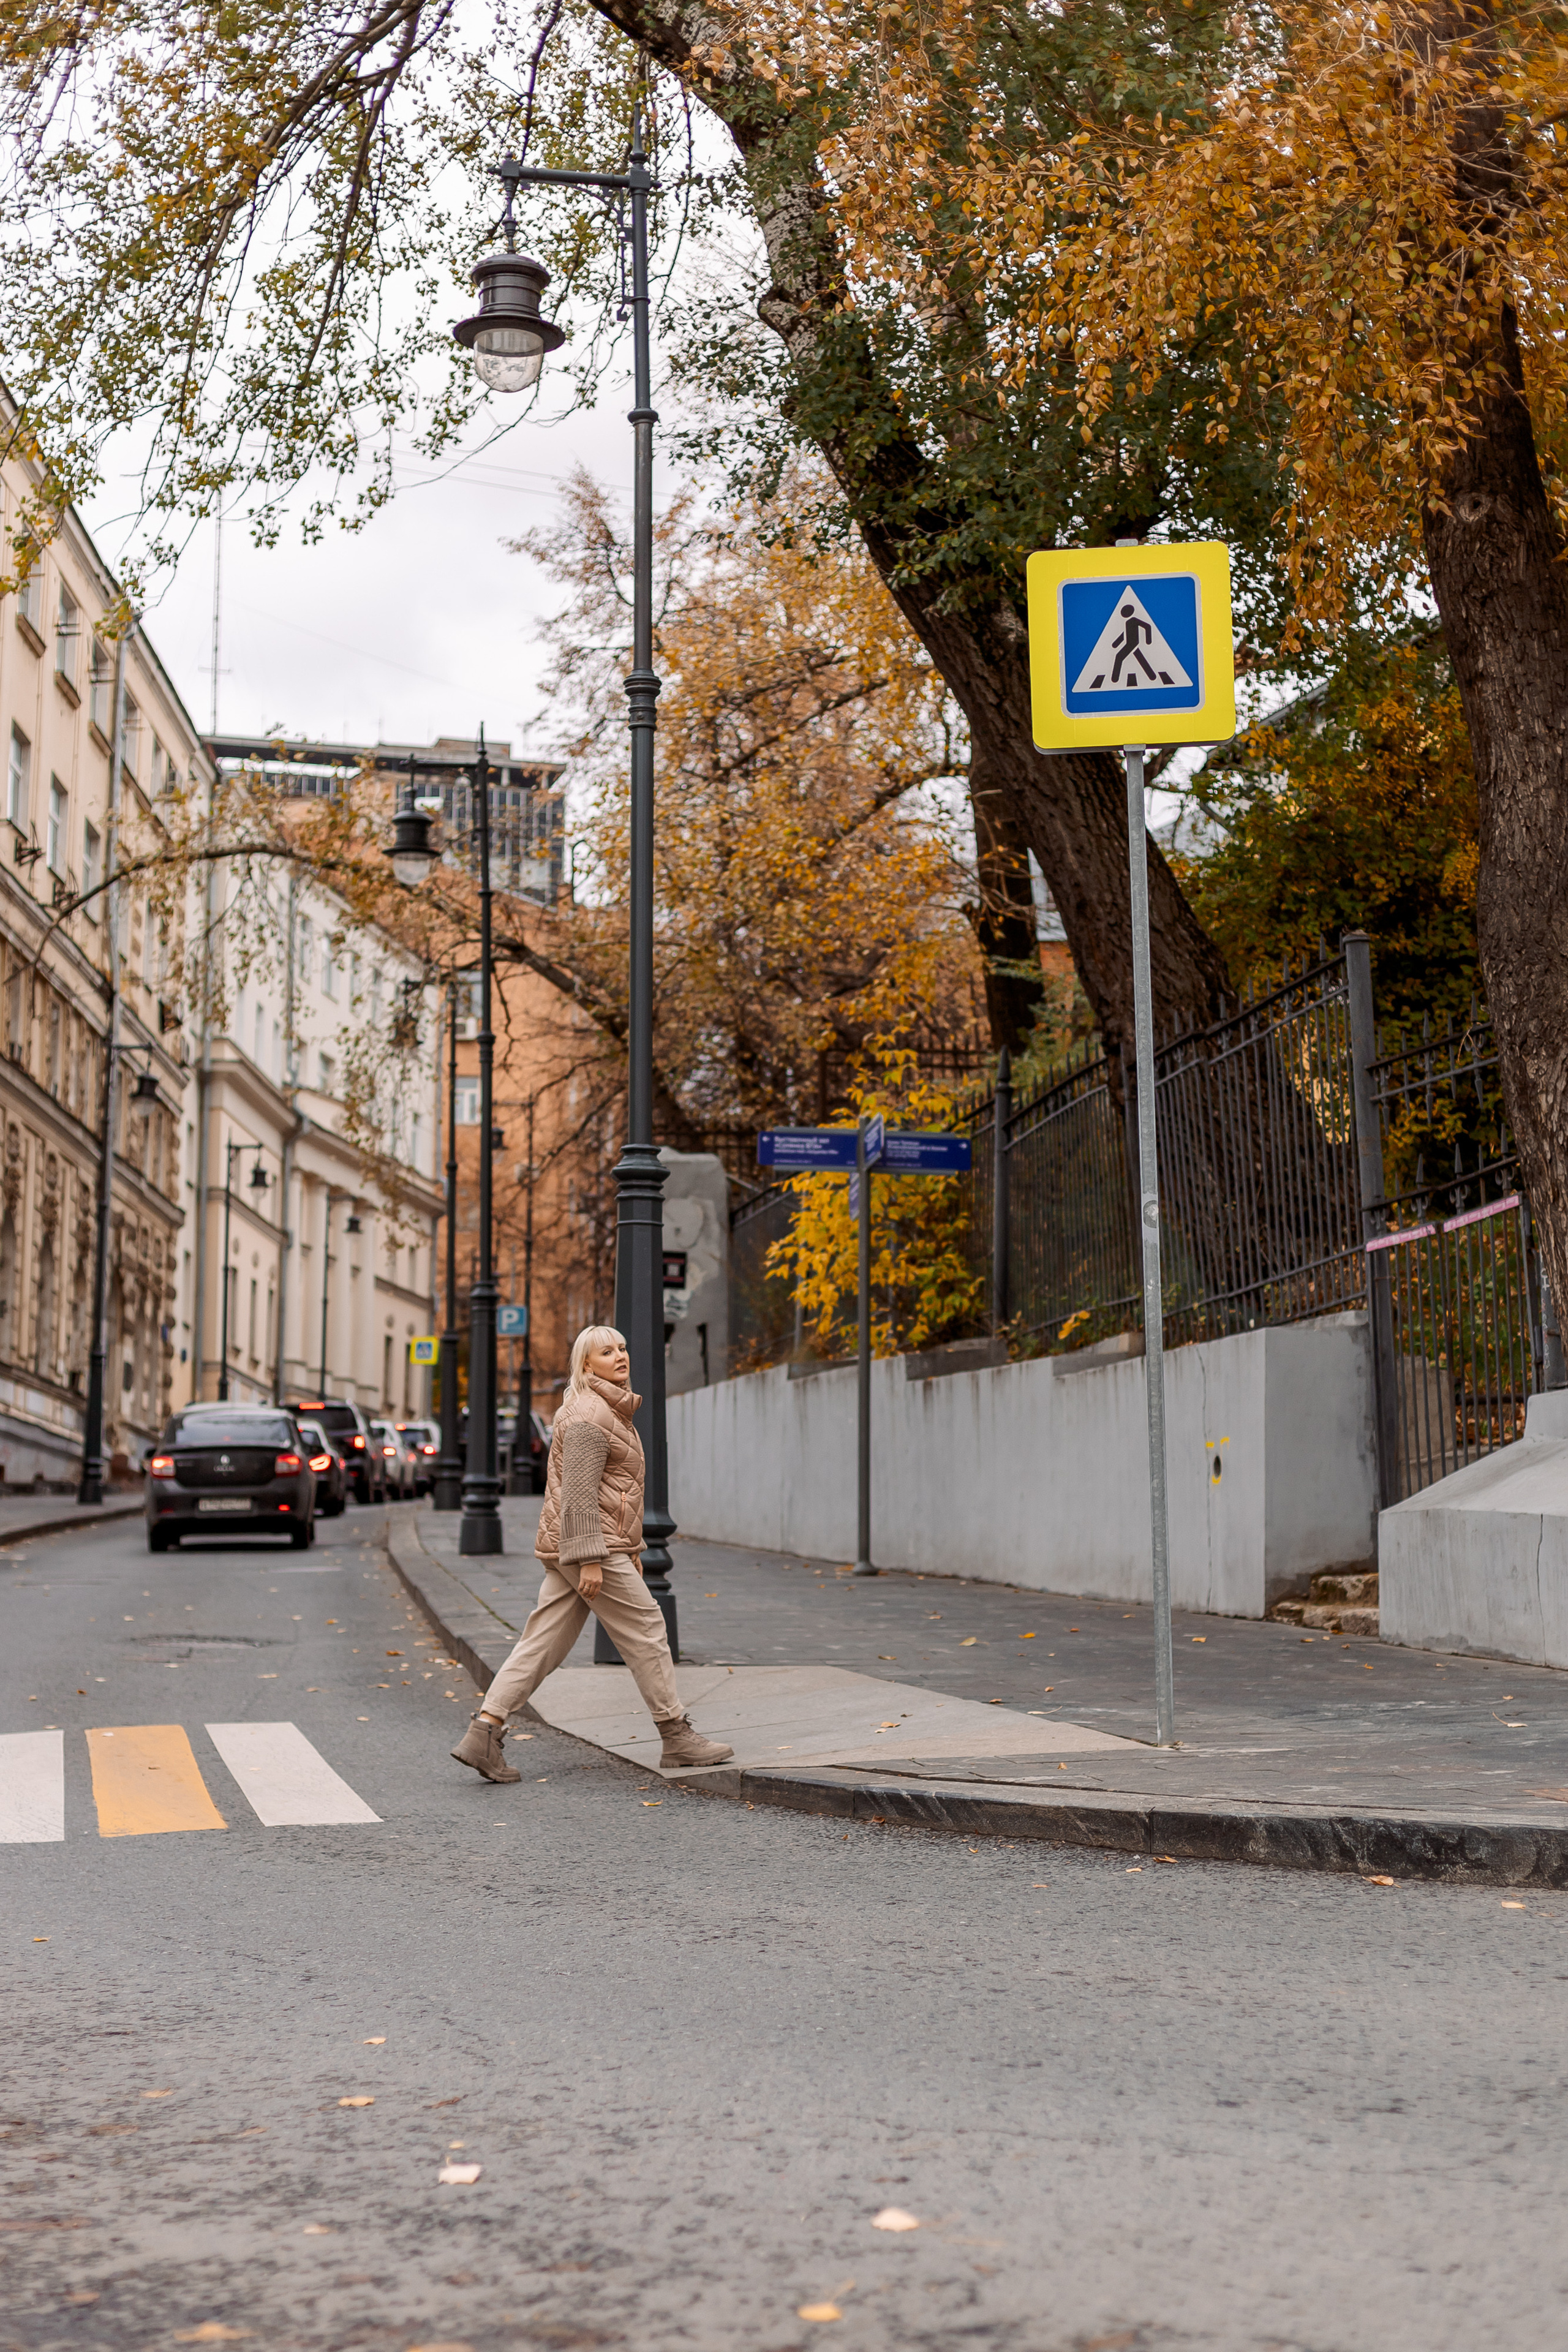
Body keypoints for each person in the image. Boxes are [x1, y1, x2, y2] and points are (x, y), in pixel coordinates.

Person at [450, 1324, 734, 1785]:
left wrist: (628, 1548)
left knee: (543, 1642)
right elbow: (579, 1495)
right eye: (606, 1352)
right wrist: (590, 1559)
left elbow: (613, 1491)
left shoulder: (603, 1409)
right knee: (647, 1628)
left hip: (586, 1544)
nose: (620, 1356)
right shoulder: (589, 1413)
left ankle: (484, 1731)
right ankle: (676, 1734)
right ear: (587, 1364)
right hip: (588, 1545)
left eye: (622, 1348)